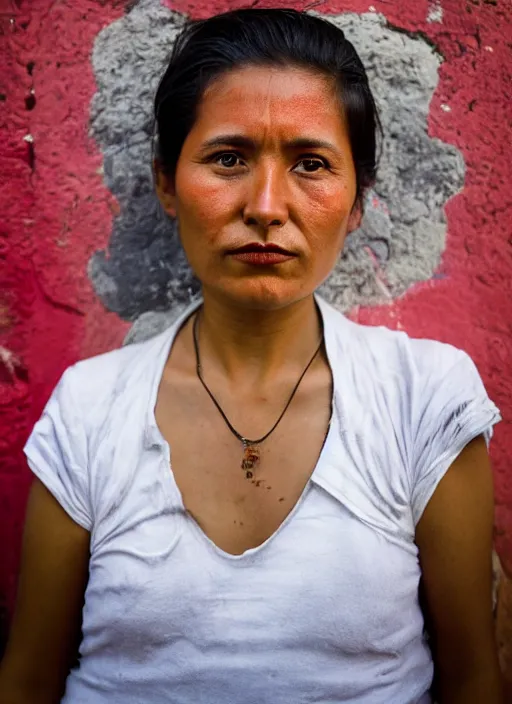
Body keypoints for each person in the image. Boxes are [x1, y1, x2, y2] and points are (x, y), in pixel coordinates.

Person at [0, 8, 504, 704]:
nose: (267, 206)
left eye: (311, 164)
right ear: (167, 183)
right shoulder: (91, 409)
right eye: (228, 158)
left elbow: (474, 679)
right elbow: (27, 681)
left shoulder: (424, 400)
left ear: (357, 199)